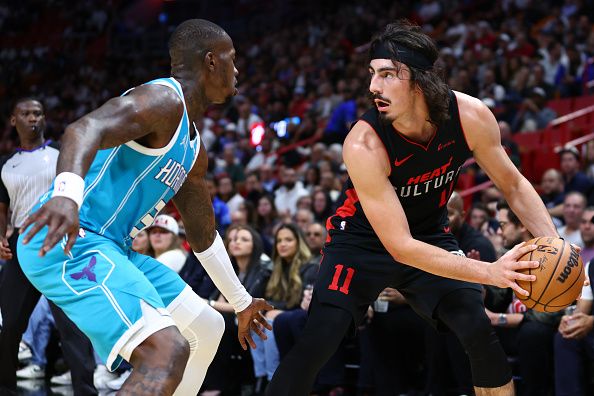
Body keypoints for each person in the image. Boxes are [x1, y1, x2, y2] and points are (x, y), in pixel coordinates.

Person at [266, 20, 557, 396]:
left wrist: (554, 246)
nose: (373, 86)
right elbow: (399, 246)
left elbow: (514, 184)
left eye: (388, 74)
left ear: (420, 80)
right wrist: (490, 271)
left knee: (474, 326)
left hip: (428, 233)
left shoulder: (469, 116)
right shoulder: (363, 143)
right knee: (318, 340)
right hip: (361, 242)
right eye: (372, 74)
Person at [16, 19, 271, 395]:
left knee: (207, 326)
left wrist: (242, 301)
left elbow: (203, 236)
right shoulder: (163, 99)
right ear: (211, 61)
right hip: (71, 238)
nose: (238, 70)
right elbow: (83, 129)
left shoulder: (193, 148)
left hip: (112, 247)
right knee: (165, 350)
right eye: (233, 59)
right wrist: (66, 195)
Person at [0, 97, 97, 395]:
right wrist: (1, 236)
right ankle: (6, 388)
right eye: (26, 113)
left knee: (70, 325)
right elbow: (3, 206)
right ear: (13, 120)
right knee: (12, 322)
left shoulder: (60, 155)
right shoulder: (6, 164)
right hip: (21, 243)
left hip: (56, 242)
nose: (33, 118)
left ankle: (85, 389)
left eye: (38, 113)